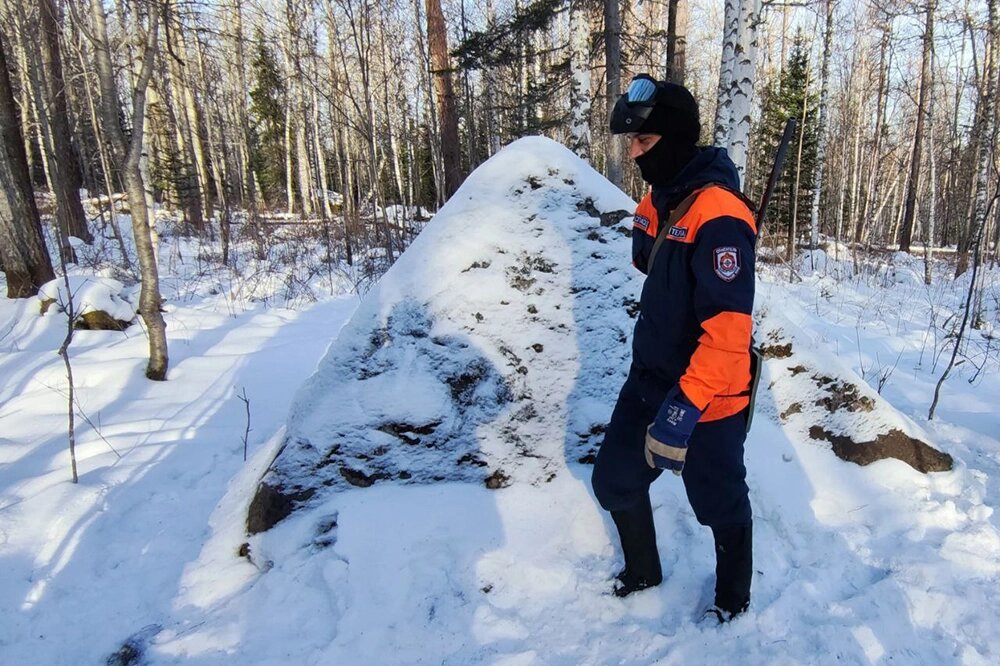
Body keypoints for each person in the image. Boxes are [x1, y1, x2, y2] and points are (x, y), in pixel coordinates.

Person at [591, 74, 757, 624]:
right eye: (631, 144)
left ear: (676, 140)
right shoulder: (662, 198)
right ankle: (643, 571)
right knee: (614, 480)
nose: (634, 155)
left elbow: (729, 337)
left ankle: (733, 598)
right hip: (650, 378)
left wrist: (684, 408)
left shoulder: (721, 214)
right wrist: (651, 222)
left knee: (718, 502)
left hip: (709, 394)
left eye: (643, 143)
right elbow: (650, 259)